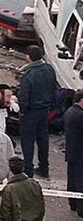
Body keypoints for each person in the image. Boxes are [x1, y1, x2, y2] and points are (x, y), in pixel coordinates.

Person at [19, 44, 58, 178]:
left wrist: (22, 111)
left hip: (31, 111)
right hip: (44, 110)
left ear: (29, 57)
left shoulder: (28, 74)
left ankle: (28, 169)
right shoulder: (49, 69)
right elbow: (54, 88)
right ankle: (44, 167)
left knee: (28, 140)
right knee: (43, 139)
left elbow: (24, 96)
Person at [0, 156, 45, 221]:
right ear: (23, 168)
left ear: (10, 169)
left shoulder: (9, 189)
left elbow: (6, 213)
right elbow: (41, 206)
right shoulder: (34, 184)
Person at [67, 89, 83, 217]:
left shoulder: (70, 112)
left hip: (72, 151)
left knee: (72, 179)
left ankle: (72, 202)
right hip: (80, 153)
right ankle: (81, 208)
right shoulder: (80, 115)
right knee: (80, 181)